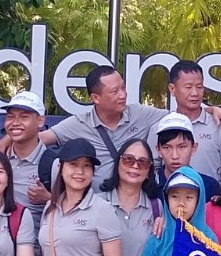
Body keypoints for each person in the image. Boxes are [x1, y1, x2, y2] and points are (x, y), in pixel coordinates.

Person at [35, 66, 173, 183]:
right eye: (114, 91)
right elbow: (40, 139)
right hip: (96, 205)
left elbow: (178, 118)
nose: (123, 95)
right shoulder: (79, 123)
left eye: (123, 88)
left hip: (136, 203)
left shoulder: (139, 113)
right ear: (95, 98)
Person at [36, 138, 123, 256]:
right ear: (61, 167)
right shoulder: (50, 208)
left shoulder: (102, 209)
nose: (80, 172)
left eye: (87, 166)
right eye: (73, 164)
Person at [99, 138, 160, 256]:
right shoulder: (97, 203)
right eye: (128, 159)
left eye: (142, 162)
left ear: (149, 170)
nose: (135, 166)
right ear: (118, 162)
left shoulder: (157, 207)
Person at [167, 59, 221, 177]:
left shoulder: (220, 124)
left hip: (212, 194)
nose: (195, 93)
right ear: (172, 89)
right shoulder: (162, 126)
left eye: (199, 87)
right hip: (172, 194)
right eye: (188, 87)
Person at [0, 90, 52, 216]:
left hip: (34, 235)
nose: (15, 123)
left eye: (24, 117)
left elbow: (76, 209)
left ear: (40, 121)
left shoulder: (53, 164)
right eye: (10, 117)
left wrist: (51, 199)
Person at [153, 112, 199, 180]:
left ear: (193, 148)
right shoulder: (149, 185)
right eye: (167, 148)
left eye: (182, 147)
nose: (175, 156)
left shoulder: (208, 186)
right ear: (158, 150)